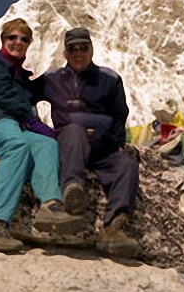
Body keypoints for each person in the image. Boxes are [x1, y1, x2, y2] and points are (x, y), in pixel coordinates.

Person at [0, 18, 85, 253]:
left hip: (15, 125)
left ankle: (50, 204)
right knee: (17, 145)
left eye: (24, 39)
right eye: (12, 37)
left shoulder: (23, 76)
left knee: (46, 144)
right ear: (3, 39)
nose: (17, 42)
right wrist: (31, 120)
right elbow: (5, 96)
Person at [33, 27, 139, 256]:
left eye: (84, 48)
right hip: (70, 145)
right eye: (73, 49)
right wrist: (34, 128)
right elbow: (24, 96)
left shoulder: (109, 79)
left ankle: (114, 228)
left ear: (92, 50)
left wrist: (115, 141)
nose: (79, 53)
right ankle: (73, 192)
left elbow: (120, 113)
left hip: (102, 149)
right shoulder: (52, 79)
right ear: (65, 53)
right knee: (73, 129)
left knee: (126, 166)